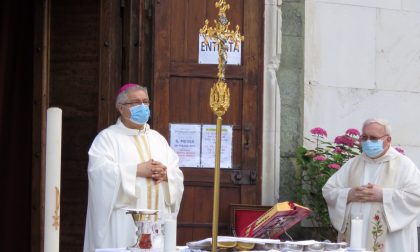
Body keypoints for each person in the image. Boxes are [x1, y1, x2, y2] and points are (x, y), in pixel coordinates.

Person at [83, 84, 184, 252]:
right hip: (123, 224)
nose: (143, 107)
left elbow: (176, 173)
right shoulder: (107, 139)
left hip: (157, 221)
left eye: (146, 102)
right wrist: (136, 170)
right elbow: (99, 174)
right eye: (136, 103)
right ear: (120, 108)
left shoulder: (158, 139)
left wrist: (167, 175)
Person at [322, 118, 420, 252]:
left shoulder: (404, 165)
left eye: (374, 138)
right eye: (364, 137)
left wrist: (383, 195)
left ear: (388, 140)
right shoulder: (353, 164)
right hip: (355, 238)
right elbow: (328, 190)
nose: (368, 142)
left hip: (391, 241)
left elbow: (416, 196)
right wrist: (349, 194)